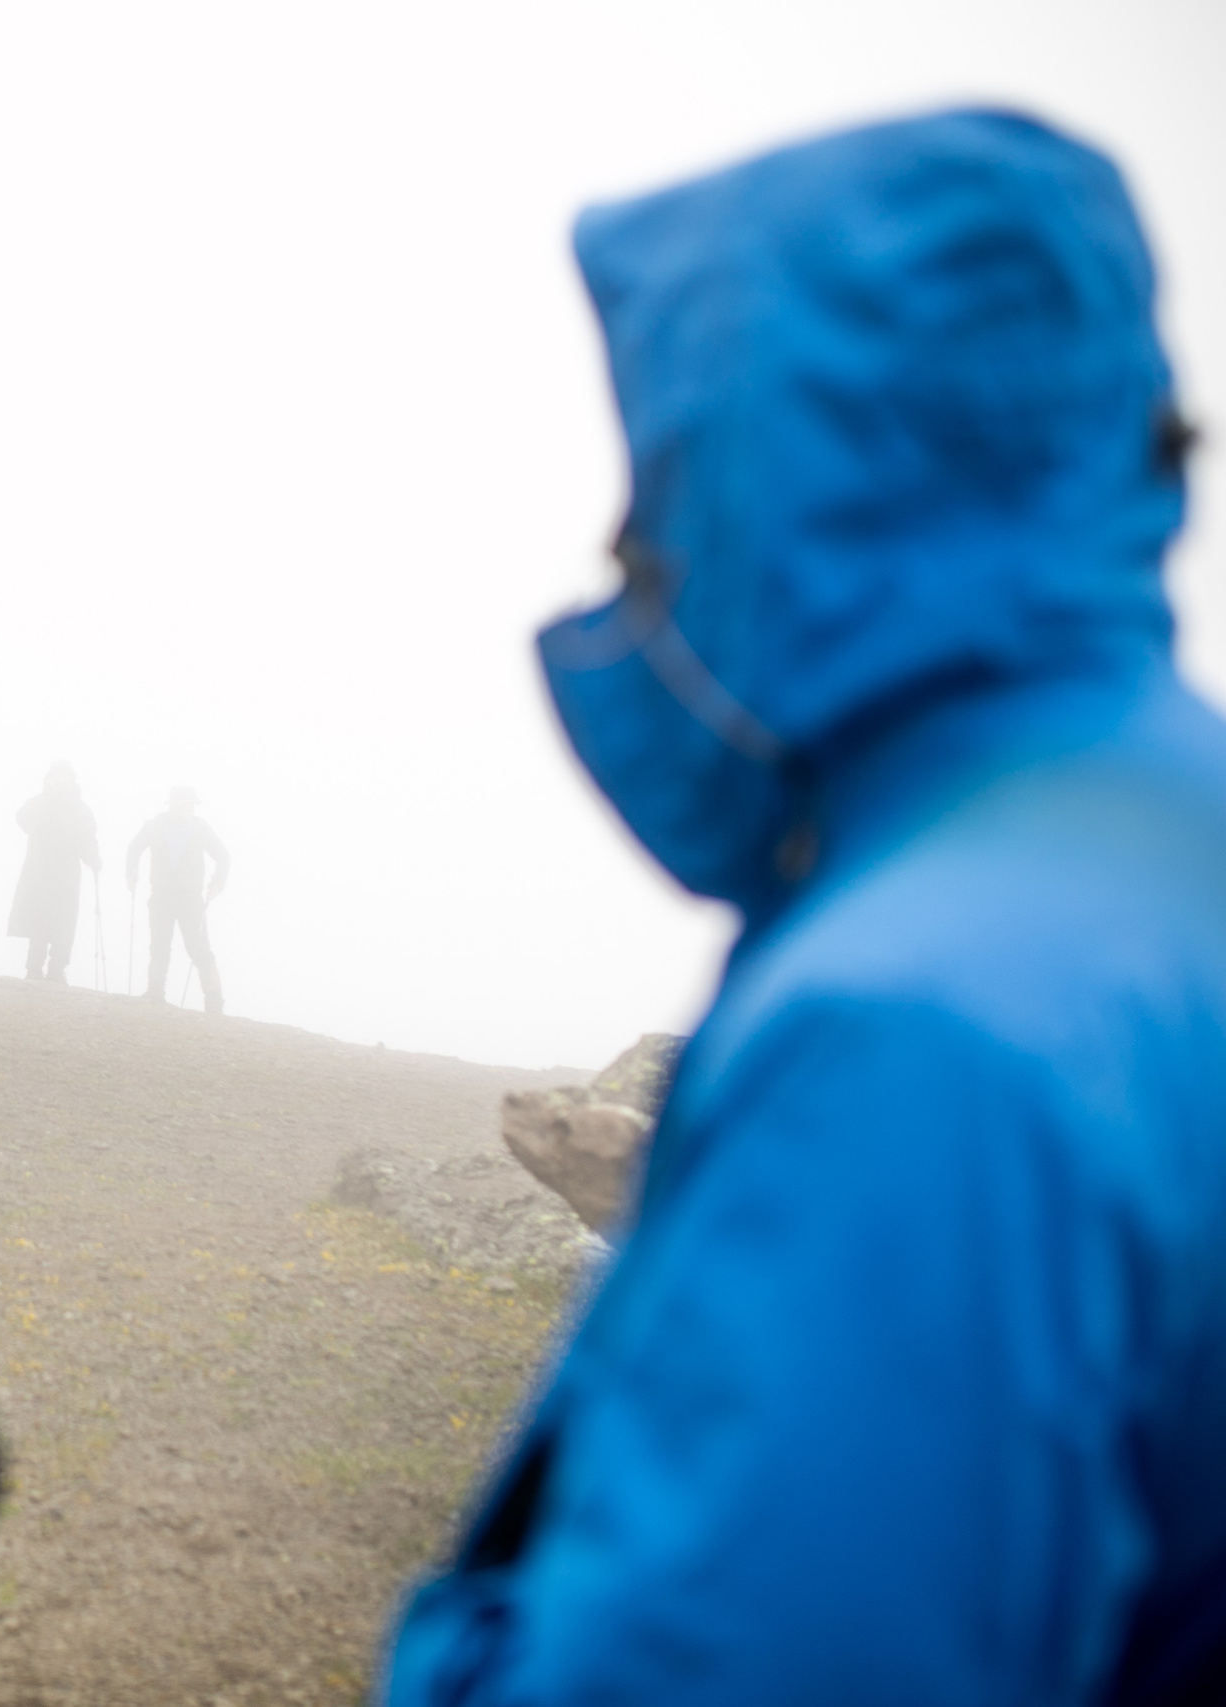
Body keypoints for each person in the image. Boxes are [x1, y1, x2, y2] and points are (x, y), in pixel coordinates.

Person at [383, 111, 1224, 1705]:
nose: (623, 555)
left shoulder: (920, 1034)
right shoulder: (1163, 859)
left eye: (669, 477)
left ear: (796, 488)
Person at [125, 786, 227, 1013]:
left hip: (190, 898)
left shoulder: (200, 828)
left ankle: (214, 1003)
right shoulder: (156, 825)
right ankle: (155, 993)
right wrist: (131, 871)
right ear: (172, 803)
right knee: (159, 946)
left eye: (192, 804)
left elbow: (223, 856)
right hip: (161, 895)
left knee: (199, 949)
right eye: (185, 804)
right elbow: (134, 849)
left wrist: (217, 884)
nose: (189, 808)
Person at [7, 760, 102, 984]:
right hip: (40, 872)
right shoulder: (40, 803)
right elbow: (24, 820)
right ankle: (34, 969)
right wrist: (48, 799)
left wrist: (94, 859)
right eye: (57, 778)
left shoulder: (80, 809)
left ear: (71, 780)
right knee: (40, 919)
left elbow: (88, 839)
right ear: (49, 781)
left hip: (67, 873)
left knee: (65, 922)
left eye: (65, 777)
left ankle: (57, 969)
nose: (62, 782)